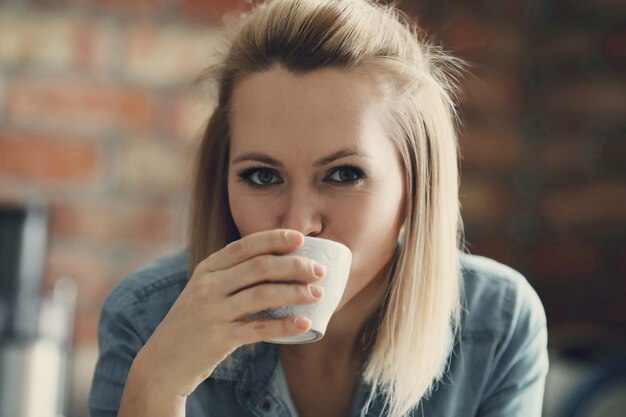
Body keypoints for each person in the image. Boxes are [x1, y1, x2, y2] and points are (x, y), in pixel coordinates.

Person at [88, 0, 549, 416]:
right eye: (262, 176)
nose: (298, 224)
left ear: (417, 186)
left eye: (344, 174)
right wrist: (156, 388)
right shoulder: (146, 318)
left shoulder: (497, 323)